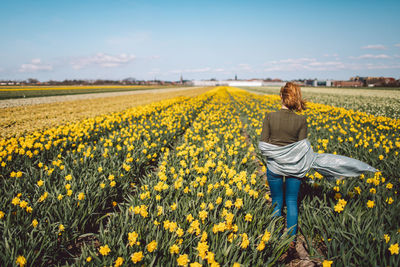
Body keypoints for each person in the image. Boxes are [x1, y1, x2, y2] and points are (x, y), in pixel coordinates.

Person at [259, 82, 307, 244]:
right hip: (294, 167)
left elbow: (263, 144)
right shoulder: (301, 120)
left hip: (274, 166)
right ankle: (291, 240)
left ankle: (274, 235)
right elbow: (302, 148)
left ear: (281, 96)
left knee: (277, 200)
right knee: (292, 201)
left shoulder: (270, 117)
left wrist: (276, 154)